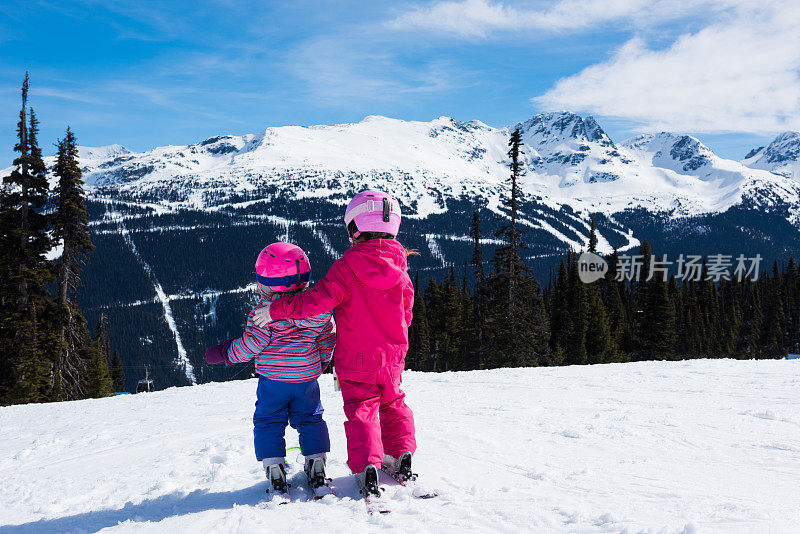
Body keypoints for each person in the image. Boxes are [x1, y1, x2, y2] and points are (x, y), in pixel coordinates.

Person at [253, 190, 417, 499]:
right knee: (394, 402)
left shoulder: (346, 270)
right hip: (393, 354)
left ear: (354, 228)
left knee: (362, 408)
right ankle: (400, 456)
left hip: (357, 358)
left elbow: (316, 302)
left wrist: (278, 309)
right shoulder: (401, 272)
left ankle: (367, 467)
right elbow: (406, 314)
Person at [205, 242, 336, 495]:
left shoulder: (264, 313)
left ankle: (275, 468)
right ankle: (317, 463)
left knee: (268, 420)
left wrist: (225, 353)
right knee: (310, 418)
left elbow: (250, 346)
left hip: (273, 381)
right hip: (306, 378)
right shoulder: (319, 311)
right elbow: (328, 338)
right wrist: (320, 363)